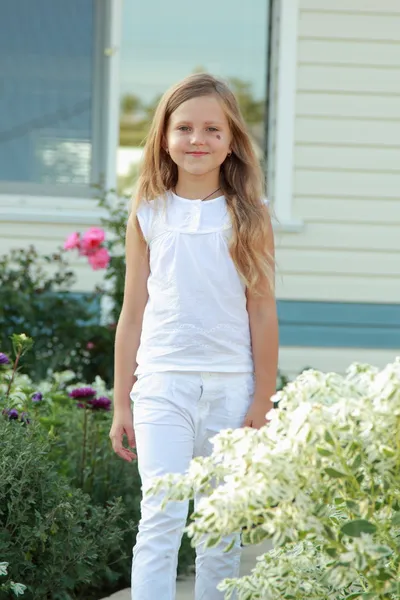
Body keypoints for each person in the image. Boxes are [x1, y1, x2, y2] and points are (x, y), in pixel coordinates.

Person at [110, 73, 279, 600]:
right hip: (163, 387)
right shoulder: (148, 214)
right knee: (160, 518)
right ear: (164, 136)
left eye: (212, 129)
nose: (197, 139)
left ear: (231, 142)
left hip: (231, 390)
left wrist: (262, 397)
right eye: (184, 127)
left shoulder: (250, 217)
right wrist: (121, 404)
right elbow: (132, 312)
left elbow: (263, 310)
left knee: (220, 529)